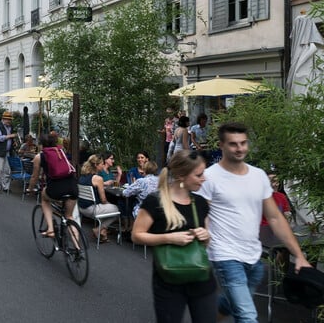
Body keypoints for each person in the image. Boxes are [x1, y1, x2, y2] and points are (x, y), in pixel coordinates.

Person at [196, 122, 310, 322]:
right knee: (247, 315)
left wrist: (298, 255)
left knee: (231, 303)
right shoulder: (210, 177)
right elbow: (200, 214)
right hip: (224, 255)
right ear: (221, 145)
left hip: (253, 256)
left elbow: (275, 217)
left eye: (243, 143)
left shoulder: (258, 176)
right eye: (233, 144)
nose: (240, 148)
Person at [131, 150, 215, 323]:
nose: (203, 178)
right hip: (169, 283)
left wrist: (205, 235)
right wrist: (169, 238)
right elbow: (136, 235)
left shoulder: (200, 203)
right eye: (199, 174)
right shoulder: (155, 201)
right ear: (181, 176)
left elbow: (206, 243)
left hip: (201, 278)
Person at [26, 133, 78, 237]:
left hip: (55, 188)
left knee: (44, 199)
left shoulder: (39, 156)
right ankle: (78, 249)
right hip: (72, 186)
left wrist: (30, 189)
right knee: (69, 216)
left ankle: (50, 230)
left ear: (41, 145)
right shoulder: (61, 152)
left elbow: (34, 177)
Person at [78, 154, 120, 243]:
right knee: (117, 210)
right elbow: (103, 200)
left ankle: (103, 232)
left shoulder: (82, 176)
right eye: (101, 163)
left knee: (108, 210)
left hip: (81, 208)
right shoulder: (98, 178)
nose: (102, 165)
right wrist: (110, 205)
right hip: (92, 209)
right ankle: (98, 229)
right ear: (96, 165)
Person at [0, 111, 17, 193]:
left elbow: (9, 138)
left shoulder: (10, 126)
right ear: (3, 119)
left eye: (10, 120)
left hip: (7, 152)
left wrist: (13, 141)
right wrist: (10, 136)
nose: (9, 121)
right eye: (8, 119)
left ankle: (6, 187)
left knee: (7, 170)